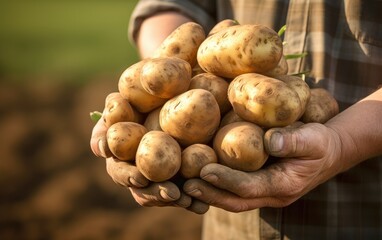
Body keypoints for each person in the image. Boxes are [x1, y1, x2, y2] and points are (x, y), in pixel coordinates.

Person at [91, 0, 382, 239]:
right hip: (230, 226)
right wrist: (156, 78)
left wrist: (343, 141)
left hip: (359, 213)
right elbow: (173, 5)